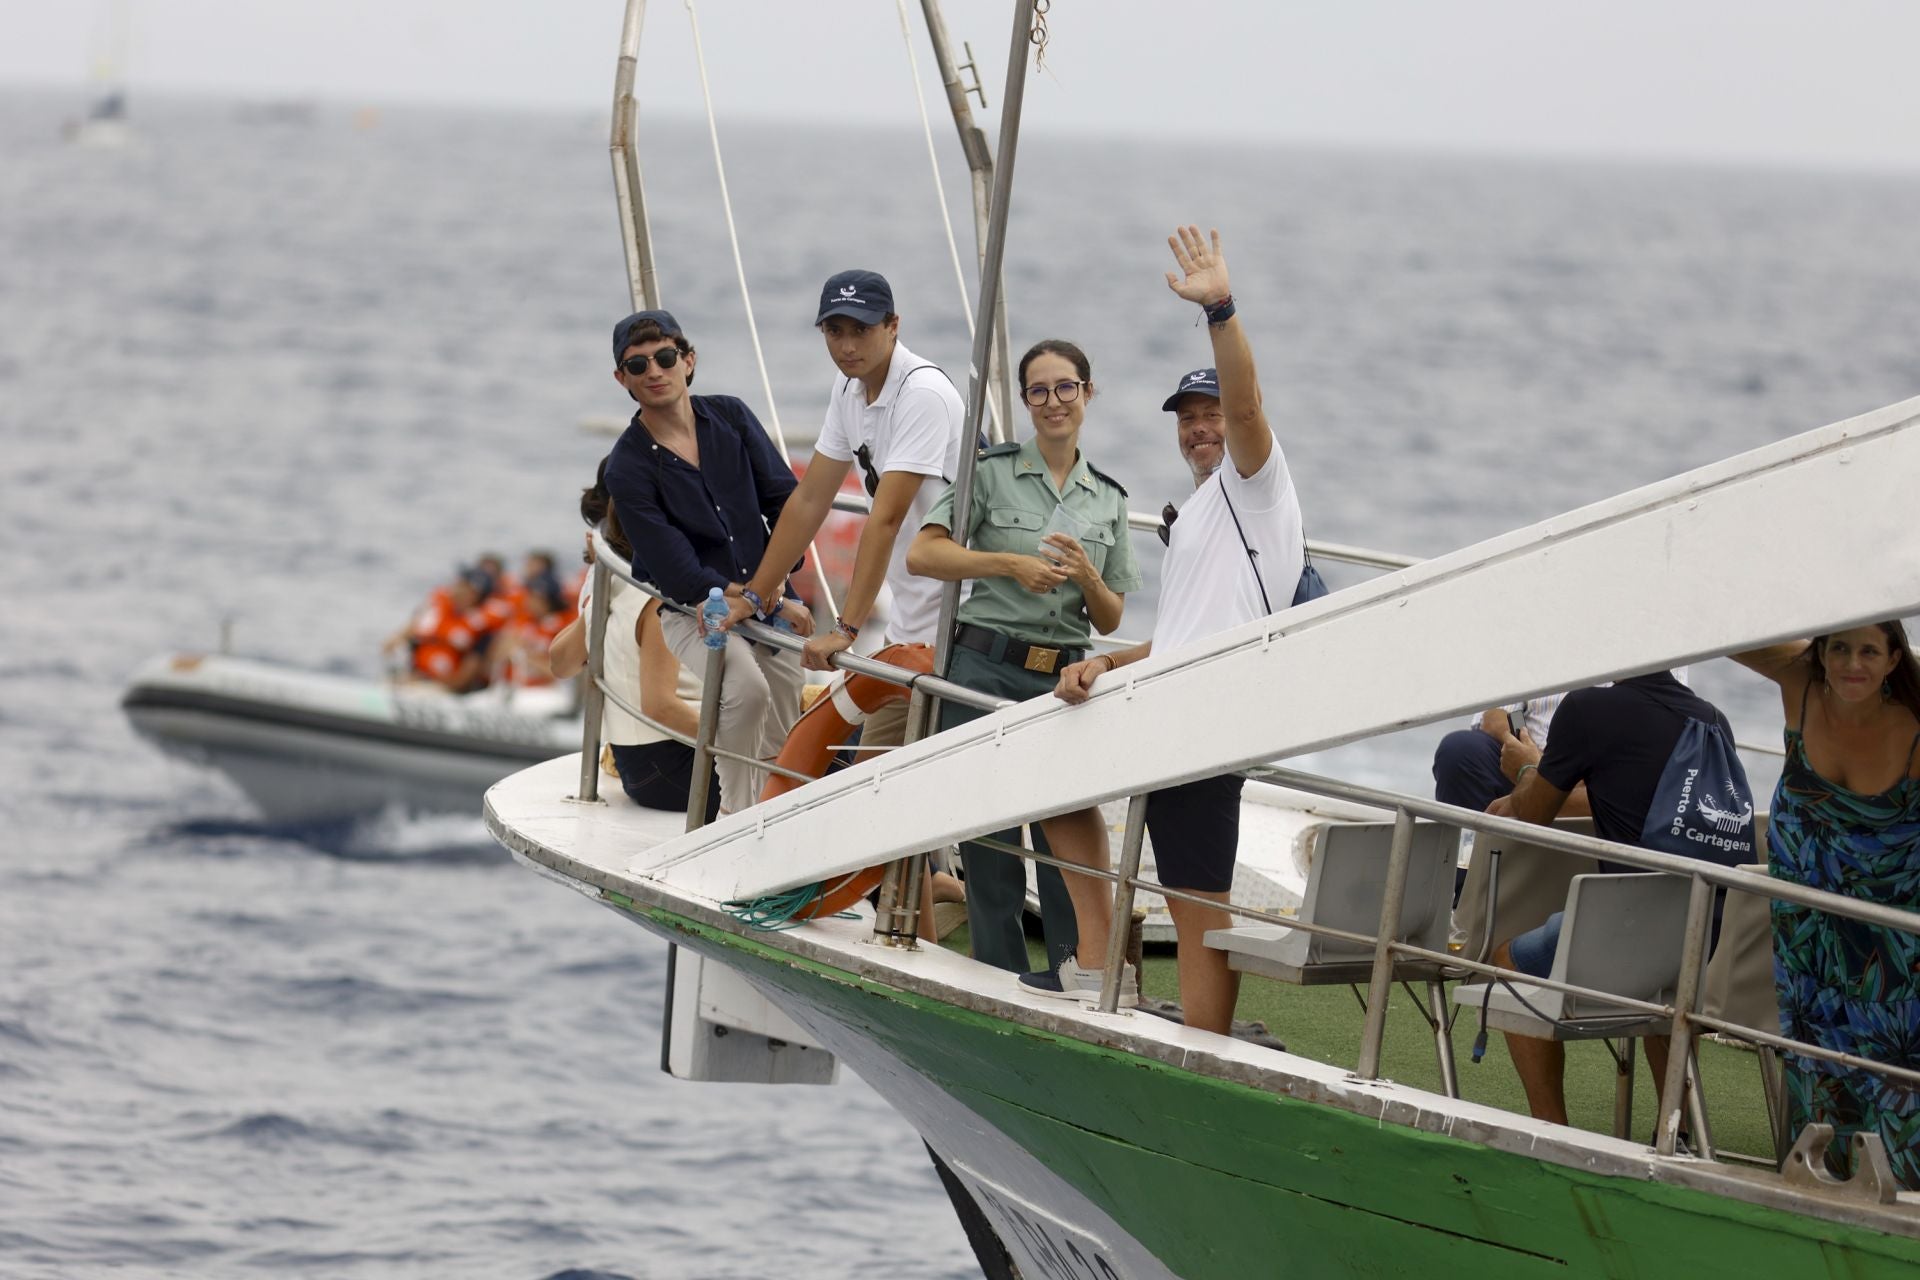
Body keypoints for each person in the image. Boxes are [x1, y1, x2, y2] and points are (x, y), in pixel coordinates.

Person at [1050, 226, 1304, 1033]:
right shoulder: (1199, 513)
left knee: (1198, 903)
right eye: (1187, 418)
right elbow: (1187, 633)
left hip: (1206, 719)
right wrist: (1111, 665)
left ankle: (1206, 1043)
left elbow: (1248, 404)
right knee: (1176, 886)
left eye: (1210, 415)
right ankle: (1134, 979)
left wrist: (1220, 309)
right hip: (1171, 706)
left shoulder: (1254, 486)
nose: (1201, 427)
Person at [907, 338, 1141, 983]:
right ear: (1025, 402)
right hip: (985, 666)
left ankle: (1072, 971)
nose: (1053, 402)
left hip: (1062, 680)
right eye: (1038, 391)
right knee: (990, 845)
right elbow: (924, 555)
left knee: (1064, 839)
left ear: (1088, 394)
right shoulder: (990, 472)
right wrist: (1006, 563)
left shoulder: (1108, 499)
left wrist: (1089, 576)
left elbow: (1111, 617)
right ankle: (997, 976)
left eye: (1066, 387)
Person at [1485, 669, 1751, 1125]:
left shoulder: (1590, 709)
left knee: (1507, 962)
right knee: (1666, 988)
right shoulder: (1713, 719)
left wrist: (1525, 767)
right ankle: (1680, 1129)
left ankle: (1552, 1130)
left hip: (1622, 942)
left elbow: (1532, 813)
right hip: (1701, 940)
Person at [1730, 621, 1920, 1187]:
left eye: (1869, 651)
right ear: (1820, 651)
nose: (1852, 664)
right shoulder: (1801, 685)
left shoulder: (1913, 729)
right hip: (1807, 926)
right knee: (1815, 1052)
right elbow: (1722, 624)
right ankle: (1825, 1181)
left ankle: (1903, 1194)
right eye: (1840, 648)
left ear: (1894, 660)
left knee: (1896, 1065)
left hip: (1891, 934)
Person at [601, 309, 810, 816]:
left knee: (785, 701)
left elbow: (786, 502)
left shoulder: (732, 417)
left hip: (769, 595)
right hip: (691, 610)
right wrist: (758, 595)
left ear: (688, 361)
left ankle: (778, 812)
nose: (654, 371)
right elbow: (676, 570)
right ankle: (734, 814)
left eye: (666, 357)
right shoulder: (628, 465)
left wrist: (773, 586)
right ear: (621, 379)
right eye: (638, 365)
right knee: (745, 689)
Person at [550, 459, 717, 822]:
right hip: (666, 759)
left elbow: (560, 662)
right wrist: (740, 747)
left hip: (637, 758)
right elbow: (660, 706)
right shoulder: (657, 599)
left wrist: (600, 597)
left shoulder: (610, 581)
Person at [383, 568, 500, 693]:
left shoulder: (481, 630)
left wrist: (425, 681)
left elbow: (463, 678)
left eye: (465, 588)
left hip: (441, 689)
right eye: (459, 584)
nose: (458, 590)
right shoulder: (435, 609)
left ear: (475, 596)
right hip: (410, 677)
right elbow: (393, 643)